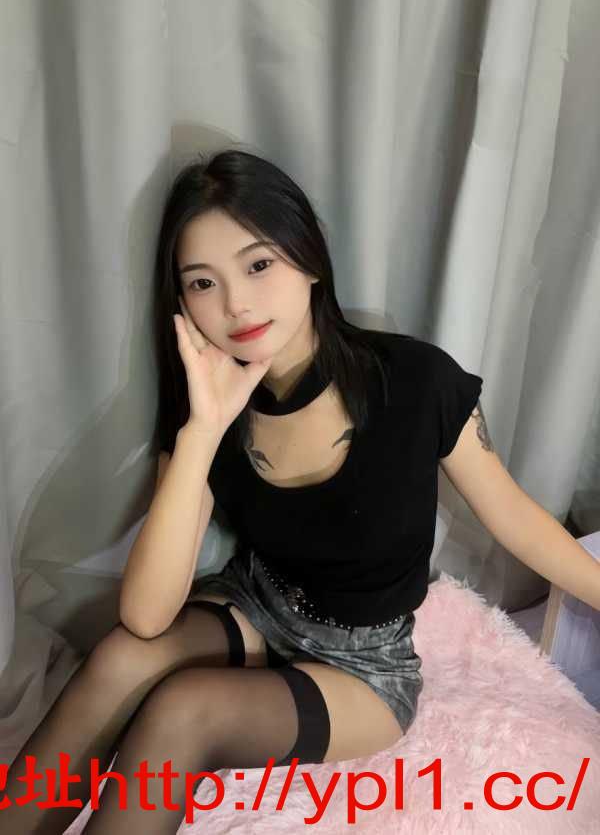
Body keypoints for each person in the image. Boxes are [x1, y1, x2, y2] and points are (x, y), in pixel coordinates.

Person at [2, 148, 486, 833]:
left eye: (258, 265)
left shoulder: (414, 380)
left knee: (184, 710)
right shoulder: (210, 397)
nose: (235, 304)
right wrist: (203, 429)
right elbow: (145, 617)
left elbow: (517, 521)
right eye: (203, 283)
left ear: (310, 258)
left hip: (365, 664)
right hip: (257, 607)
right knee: (121, 658)